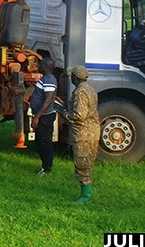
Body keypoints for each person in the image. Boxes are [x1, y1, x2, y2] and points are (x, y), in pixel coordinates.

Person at [64, 65, 100, 204]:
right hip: (93, 130)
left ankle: (86, 196)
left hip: (83, 133)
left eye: (72, 76)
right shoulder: (91, 89)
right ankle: (87, 194)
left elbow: (80, 115)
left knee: (82, 162)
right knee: (89, 161)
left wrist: (65, 114)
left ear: (76, 78)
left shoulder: (80, 92)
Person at [29, 57, 58, 175]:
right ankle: (44, 166)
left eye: (41, 64)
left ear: (46, 67)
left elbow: (48, 100)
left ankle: (47, 168)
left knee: (45, 142)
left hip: (45, 117)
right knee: (39, 142)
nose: (38, 66)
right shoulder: (46, 78)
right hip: (42, 116)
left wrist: (37, 117)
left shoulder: (50, 80)